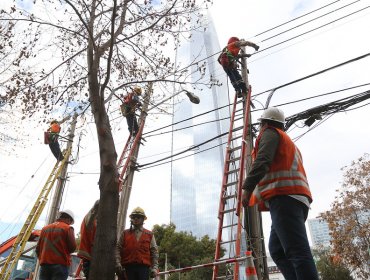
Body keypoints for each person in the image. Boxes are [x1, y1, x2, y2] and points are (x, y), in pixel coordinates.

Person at [241, 107, 319, 280]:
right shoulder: (285, 140)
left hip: (285, 198)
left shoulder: (270, 133)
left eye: (261, 125)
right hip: (292, 199)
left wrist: (247, 189)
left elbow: (263, 160)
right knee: (277, 250)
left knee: (297, 251)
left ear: (265, 123)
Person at [115, 207, 159, 280]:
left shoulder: (149, 234)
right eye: (133, 217)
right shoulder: (125, 233)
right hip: (127, 269)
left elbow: (154, 252)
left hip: (143, 270)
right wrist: (117, 263)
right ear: (131, 219)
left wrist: (154, 268)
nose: (135, 219)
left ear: (143, 219)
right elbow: (118, 248)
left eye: (138, 217)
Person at [36, 209, 77, 280]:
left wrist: (42, 260)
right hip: (60, 265)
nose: (69, 224)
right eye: (70, 222)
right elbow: (72, 248)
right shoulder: (68, 228)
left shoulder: (44, 229)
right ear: (68, 219)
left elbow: (38, 249)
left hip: (45, 266)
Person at [77, 200, 99, 279]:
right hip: (90, 256)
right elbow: (89, 228)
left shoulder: (94, 219)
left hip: (91, 257)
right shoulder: (91, 219)